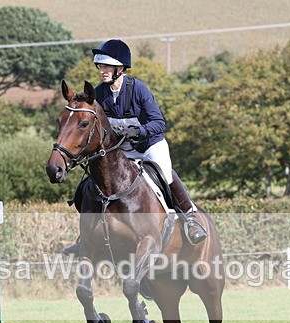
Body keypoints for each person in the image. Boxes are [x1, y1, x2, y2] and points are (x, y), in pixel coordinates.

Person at [66, 39, 207, 252]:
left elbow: (159, 123)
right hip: (123, 150)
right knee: (95, 180)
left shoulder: (138, 89)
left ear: (120, 68)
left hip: (149, 145)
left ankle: (191, 217)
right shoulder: (99, 93)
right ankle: (85, 238)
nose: (101, 70)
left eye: (106, 66)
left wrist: (139, 131)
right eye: (100, 66)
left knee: (165, 173)